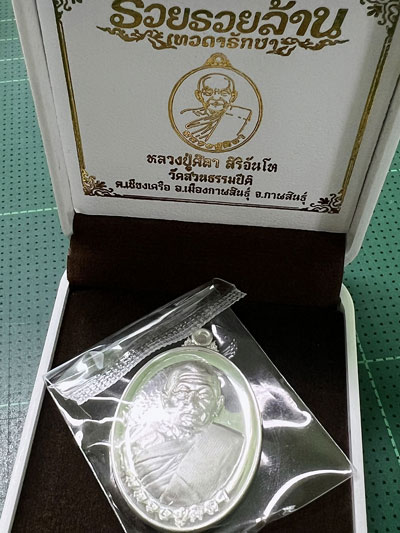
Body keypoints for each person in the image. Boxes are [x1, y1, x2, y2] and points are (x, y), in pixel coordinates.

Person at [131, 361, 244, 506]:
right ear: (165, 399)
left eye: (204, 395)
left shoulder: (229, 445)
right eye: (182, 393)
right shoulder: (139, 439)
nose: (191, 402)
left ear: (218, 405)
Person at [181, 72, 252, 145]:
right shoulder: (185, 116)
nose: (216, 98)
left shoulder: (241, 116)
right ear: (198, 95)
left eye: (224, 93)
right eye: (208, 93)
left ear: (233, 96)